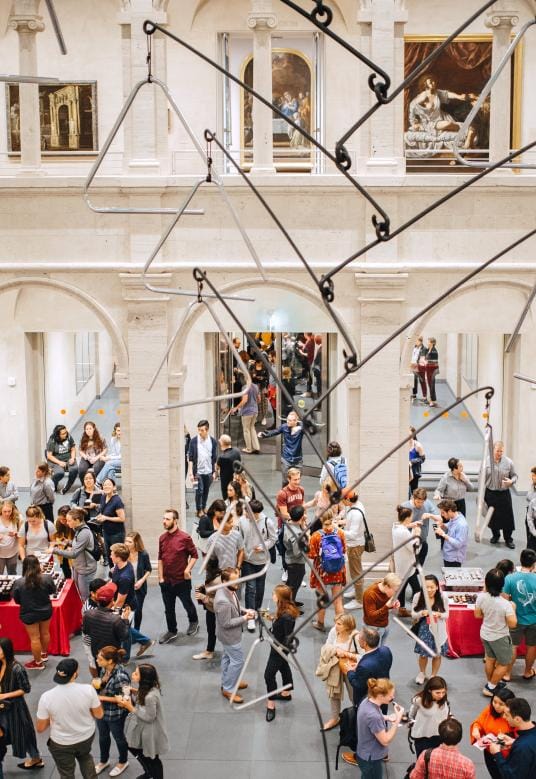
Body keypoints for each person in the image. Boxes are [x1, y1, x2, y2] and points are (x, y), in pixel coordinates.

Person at [36, 657, 103, 779]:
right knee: (85, 757)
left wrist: (53, 716)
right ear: (75, 674)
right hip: (86, 736)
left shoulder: (46, 697)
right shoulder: (88, 690)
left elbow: (40, 728)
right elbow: (99, 715)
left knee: (66, 772)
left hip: (61, 742)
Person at [117, 663, 168, 779]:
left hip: (150, 732)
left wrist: (130, 707)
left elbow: (149, 717)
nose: (133, 675)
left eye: (136, 673)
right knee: (142, 753)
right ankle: (149, 773)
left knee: (152, 759)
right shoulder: (149, 688)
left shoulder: (150, 697)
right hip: (144, 729)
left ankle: (154, 775)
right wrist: (135, 691)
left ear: (143, 678)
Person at [0, 637, 44, 769]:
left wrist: (4, 695)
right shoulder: (0, 664)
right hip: (2, 708)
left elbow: (26, 689)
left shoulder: (17, 668)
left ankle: (36, 758)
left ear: (6, 650)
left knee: (24, 733)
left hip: (15, 708)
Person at [213, 567, 255, 704]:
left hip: (229, 636)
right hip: (229, 636)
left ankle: (229, 681)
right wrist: (245, 619)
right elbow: (226, 623)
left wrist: (245, 610)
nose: (238, 583)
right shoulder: (222, 601)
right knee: (237, 661)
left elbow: (235, 606)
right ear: (224, 581)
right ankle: (229, 689)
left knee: (227, 658)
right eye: (235, 581)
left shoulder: (229, 589)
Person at [157, 508, 199, 643]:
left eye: (167, 519)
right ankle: (172, 630)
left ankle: (194, 622)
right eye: (163, 518)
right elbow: (160, 559)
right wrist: (160, 578)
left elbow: (194, 555)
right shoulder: (162, 538)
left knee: (187, 604)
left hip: (182, 581)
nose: (164, 521)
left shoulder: (185, 538)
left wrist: (187, 570)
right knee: (168, 609)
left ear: (175, 521)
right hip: (167, 581)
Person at [475, 568, 517, 697]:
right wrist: (513, 608)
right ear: (502, 585)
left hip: (485, 633)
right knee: (505, 663)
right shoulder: (505, 604)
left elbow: (477, 615)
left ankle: (491, 683)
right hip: (499, 637)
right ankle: (490, 687)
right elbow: (513, 624)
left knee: (490, 659)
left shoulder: (481, 597)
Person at [109, 543, 154, 658]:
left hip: (126, 607)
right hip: (126, 603)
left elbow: (120, 600)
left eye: (112, 554)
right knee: (126, 628)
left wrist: (110, 610)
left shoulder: (125, 577)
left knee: (125, 631)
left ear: (118, 558)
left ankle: (125, 657)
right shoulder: (123, 565)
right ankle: (145, 641)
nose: (110, 556)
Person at [12, 554, 55, 669]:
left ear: (24, 566)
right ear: (38, 565)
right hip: (45, 611)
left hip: (29, 613)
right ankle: (44, 654)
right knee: (45, 633)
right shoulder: (47, 578)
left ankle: (38, 663)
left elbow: (16, 600)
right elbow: (52, 591)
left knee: (34, 638)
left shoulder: (19, 582)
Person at [92, 645, 131, 776]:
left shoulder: (120, 676)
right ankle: (104, 760)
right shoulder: (104, 670)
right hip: (102, 710)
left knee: (118, 737)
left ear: (110, 661)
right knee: (103, 736)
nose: (97, 661)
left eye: (100, 659)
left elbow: (125, 698)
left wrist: (100, 697)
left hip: (115, 713)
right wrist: (100, 684)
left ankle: (123, 761)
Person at [239, 499, 276, 631]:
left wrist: (263, 546)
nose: (245, 514)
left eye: (248, 512)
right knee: (250, 588)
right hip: (248, 560)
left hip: (261, 561)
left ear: (256, 513)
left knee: (260, 588)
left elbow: (273, 539)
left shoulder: (267, 522)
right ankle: (250, 616)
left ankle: (257, 610)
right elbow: (240, 537)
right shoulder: (242, 520)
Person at [356, 678, 405, 778]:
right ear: (380, 696)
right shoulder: (374, 716)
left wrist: (387, 717)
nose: (393, 698)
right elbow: (385, 740)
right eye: (390, 696)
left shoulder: (367, 700)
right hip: (371, 758)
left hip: (364, 752)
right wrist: (397, 720)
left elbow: (369, 718)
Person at [264, 584, 298, 722]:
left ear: (280, 598)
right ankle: (286, 692)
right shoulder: (283, 610)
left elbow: (288, 637)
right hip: (278, 645)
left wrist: (279, 649)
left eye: (274, 594)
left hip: (278, 649)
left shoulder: (287, 616)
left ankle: (270, 705)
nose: (272, 596)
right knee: (284, 667)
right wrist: (272, 619)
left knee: (268, 675)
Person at [320, 613, 359, 731]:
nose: (335, 626)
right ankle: (334, 718)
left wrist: (346, 654)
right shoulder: (334, 631)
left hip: (350, 669)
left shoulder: (356, 636)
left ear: (347, 626)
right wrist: (335, 650)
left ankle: (359, 718)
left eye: (339, 624)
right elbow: (327, 646)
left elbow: (364, 656)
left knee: (354, 694)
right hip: (335, 666)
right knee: (334, 693)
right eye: (336, 623)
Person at [308, 513, 346, 632]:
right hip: (337, 571)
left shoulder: (316, 536)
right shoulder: (340, 533)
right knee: (338, 601)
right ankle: (341, 627)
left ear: (321, 519)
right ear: (333, 518)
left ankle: (320, 623)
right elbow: (344, 549)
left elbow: (312, 555)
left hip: (322, 572)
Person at [503, 548, 536, 680]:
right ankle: (527, 671)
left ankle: (507, 674)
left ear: (520, 560)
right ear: (534, 563)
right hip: (534, 619)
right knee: (532, 646)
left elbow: (504, 600)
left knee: (512, 646)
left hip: (514, 619)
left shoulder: (510, 578)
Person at [51, 507, 97, 602]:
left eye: (69, 521)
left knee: (85, 596)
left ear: (77, 520)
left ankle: (86, 614)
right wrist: (67, 542)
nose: (67, 523)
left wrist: (54, 550)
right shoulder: (78, 529)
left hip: (85, 569)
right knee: (78, 592)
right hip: (78, 567)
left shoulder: (84, 532)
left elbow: (73, 554)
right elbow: (77, 544)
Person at [470, 687, 516, 779]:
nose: (496, 706)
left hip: (506, 756)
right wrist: (476, 729)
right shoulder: (489, 710)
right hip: (489, 751)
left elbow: (518, 739)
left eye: (501, 704)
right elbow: (479, 722)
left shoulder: (514, 717)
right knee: (494, 774)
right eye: (494, 702)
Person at [411, 574, 449, 684]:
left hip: (439, 629)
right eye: (426, 587)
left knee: (437, 654)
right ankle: (422, 672)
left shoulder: (443, 597)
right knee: (423, 654)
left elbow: (447, 614)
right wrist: (422, 613)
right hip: (424, 628)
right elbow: (413, 614)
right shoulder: (418, 596)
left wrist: (439, 614)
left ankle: (433, 675)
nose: (429, 590)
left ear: (437, 586)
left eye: (432, 587)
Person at [410, 717, 476, 779]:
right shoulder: (467, 765)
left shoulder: (426, 755)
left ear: (440, 736)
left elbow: (414, 777)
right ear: (460, 738)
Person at [487, 697, 536, 778]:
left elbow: (511, 776)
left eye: (507, 715)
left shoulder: (522, 748)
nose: (504, 717)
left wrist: (497, 754)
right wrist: (515, 742)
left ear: (517, 719)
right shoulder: (526, 740)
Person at [82, 582, 130, 661]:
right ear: (112, 600)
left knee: (99, 670)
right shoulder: (116, 620)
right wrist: (125, 619)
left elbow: (86, 631)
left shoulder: (88, 614)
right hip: (111, 655)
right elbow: (125, 636)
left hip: (96, 653)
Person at [484, 441, 518, 549]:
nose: (499, 453)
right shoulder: (486, 462)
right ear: (493, 450)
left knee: (507, 517)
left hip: (504, 494)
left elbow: (515, 476)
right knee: (493, 517)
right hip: (490, 493)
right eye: (497, 451)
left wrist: (511, 481)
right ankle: (496, 535)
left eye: (501, 451)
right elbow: (481, 478)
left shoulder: (509, 462)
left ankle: (508, 539)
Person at [391, 504, 421, 618]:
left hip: (401, 563)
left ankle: (401, 609)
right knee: (417, 589)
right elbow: (414, 548)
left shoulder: (395, 527)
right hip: (408, 565)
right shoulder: (403, 532)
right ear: (407, 517)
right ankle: (419, 610)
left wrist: (411, 526)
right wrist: (417, 534)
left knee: (402, 587)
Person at [409, 676, 450, 757]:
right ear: (429, 690)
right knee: (422, 763)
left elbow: (445, 713)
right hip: (423, 738)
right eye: (437, 692)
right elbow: (411, 715)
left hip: (440, 737)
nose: (441, 695)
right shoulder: (419, 700)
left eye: (443, 692)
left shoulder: (443, 700)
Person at [340, 488, 366, 611]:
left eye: (343, 500)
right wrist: (341, 521)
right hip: (355, 544)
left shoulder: (355, 513)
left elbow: (353, 534)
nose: (342, 503)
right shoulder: (357, 506)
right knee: (355, 571)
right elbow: (350, 523)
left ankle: (359, 600)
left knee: (356, 573)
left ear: (348, 499)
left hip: (355, 545)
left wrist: (338, 529)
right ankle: (356, 592)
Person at [188, 419, 218, 518]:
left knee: (206, 490)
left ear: (207, 430)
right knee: (199, 491)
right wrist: (191, 473)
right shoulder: (193, 441)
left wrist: (214, 471)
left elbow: (214, 458)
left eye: (202, 430)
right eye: (199, 430)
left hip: (209, 471)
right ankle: (199, 509)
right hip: (197, 472)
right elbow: (191, 458)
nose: (200, 432)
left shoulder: (213, 441)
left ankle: (204, 507)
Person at [260, 411, 304, 477]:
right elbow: (275, 431)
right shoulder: (284, 427)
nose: (288, 422)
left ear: (295, 421)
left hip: (297, 459)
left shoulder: (300, 430)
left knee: (296, 480)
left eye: (290, 420)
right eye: (287, 420)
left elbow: (310, 429)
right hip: (286, 458)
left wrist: (300, 427)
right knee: (285, 480)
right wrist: (264, 435)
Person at [362, 573, 401, 645]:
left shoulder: (386, 591)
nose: (396, 594)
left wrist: (393, 605)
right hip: (373, 628)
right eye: (395, 591)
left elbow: (384, 605)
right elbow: (371, 616)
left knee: (381, 651)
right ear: (387, 586)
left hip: (384, 625)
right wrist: (386, 606)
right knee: (375, 654)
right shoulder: (370, 594)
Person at [125, 531, 152, 631]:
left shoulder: (143, 554)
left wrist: (141, 580)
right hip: (126, 588)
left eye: (129, 542)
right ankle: (128, 631)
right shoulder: (124, 553)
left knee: (138, 610)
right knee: (128, 610)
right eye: (126, 541)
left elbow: (149, 569)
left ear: (136, 543)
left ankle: (136, 631)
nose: (126, 544)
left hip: (139, 588)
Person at [404, 487, 437, 565]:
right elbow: (399, 526)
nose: (420, 504)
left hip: (423, 541)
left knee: (419, 568)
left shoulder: (427, 503)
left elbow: (439, 519)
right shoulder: (405, 506)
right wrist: (412, 525)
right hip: (409, 544)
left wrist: (430, 515)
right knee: (410, 569)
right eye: (418, 502)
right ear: (413, 498)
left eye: (422, 502)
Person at [430, 499, 469, 567]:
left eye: (443, 513)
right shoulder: (454, 517)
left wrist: (443, 534)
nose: (442, 515)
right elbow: (451, 525)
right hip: (448, 554)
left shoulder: (462, 525)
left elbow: (458, 544)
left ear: (450, 511)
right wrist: (443, 525)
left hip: (454, 559)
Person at [81, 578, 107, 679]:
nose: (103, 594)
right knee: (93, 663)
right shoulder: (89, 611)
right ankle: (96, 681)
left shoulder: (100, 601)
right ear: (92, 593)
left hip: (100, 639)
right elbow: (90, 631)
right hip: (91, 642)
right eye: (100, 592)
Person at [95, 478, 126, 559]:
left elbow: (122, 518)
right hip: (106, 532)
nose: (106, 486)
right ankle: (112, 571)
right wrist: (100, 516)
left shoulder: (117, 501)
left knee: (117, 556)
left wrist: (106, 518)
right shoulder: (103, 497)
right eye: (105, 485)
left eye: (109, 484)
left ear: (114, 487)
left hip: (116, 534)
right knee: (109, 556)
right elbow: (103, 511)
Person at [283, 505, 307, 604]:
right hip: (296, 562)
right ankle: (289, 606)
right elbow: (297, 553)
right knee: (293, 585)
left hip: (290, 560)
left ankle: (291, 601)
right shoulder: (297, 533)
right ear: (301, 517)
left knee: (291, 584)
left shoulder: (288, 524)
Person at [231, 379, 260, 455]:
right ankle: (256, 447)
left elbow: (244, 400)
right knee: (252, 428)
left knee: (246, 430)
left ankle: (249, 448)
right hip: (255, 410)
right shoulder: (256, 386)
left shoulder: (245, 387)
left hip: (247, 412)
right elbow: (259, 399)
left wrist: (236, 408)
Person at [46, 424, 78, 494]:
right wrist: (59, 462)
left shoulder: (68, 436)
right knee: (59, 473)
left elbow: (73, 449)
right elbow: (49, 456)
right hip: (55, 460)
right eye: (63, 434)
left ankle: (67, 486)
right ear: (58, 435)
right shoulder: (52, 440)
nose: (65, 434)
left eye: (66, 432)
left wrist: (73, 458)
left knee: (74, 469)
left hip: (68, 459)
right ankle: (54, 484)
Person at [215, 435, 241, 499]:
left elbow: (216, 468)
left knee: (227, 499)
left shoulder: (222, 457)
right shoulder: (237, 451)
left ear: (222, 443)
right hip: (237, 480)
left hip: (226, 483)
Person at [96, 422, 121, 487]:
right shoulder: (113, 439)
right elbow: (114, 454)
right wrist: (106, 457)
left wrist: (108, 458)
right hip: (116, 461)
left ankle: (97, 482)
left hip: (124, 461)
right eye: (118, 430)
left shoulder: (126, 440)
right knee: (110, 470)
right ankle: (113, 488)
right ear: (115, 430)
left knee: (109, 463)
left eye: (121, 430)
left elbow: (122, 456)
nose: (120, 432)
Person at [0, 499, 21, 574]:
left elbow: (22, 535)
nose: (7, 514)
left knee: (12, 573)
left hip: (12, 552)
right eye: (4, 511)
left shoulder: (17, 519)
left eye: (9, 511)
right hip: (0, 552)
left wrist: (16, 533)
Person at [54, 505, 74, 578]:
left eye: (64, 519)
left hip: (73, 551)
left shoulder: (74, 525)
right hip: (62, 551)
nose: (62, 522)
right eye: (60, 519)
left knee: (75, 569)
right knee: (65, 570)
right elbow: (55, 538)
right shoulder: (57, 522)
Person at [409, 428, 427, 495]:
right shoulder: (403, 444)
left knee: (414, 491)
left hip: (413, 472)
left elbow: (423, 458)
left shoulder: (417, 445)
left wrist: (412, 461)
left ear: (413, 435)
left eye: (409, 435)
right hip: (404, 471)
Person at [423, 337, 439, 407]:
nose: (428, 343)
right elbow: (426, 358)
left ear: (432, 343)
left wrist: (426, 361)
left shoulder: (434, 351)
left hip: (432, 370)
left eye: (429, 342)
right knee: (430, 385)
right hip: (428, 370)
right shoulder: (429, 350)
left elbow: (434, 362)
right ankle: (433, 400)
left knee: (431, 385)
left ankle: (432, 401)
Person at [410, 336, 425, 400]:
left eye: (416, 341)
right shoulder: (414, 347)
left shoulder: (424, 349)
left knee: (422, 381)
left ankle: (425, 396)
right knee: (414, 380)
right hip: (412, 366)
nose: (415, 342)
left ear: (420, 341)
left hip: (419, 366)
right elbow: (412, 356)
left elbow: (424, 359)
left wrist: (417, 364)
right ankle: (414, 394)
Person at [525, 467, 536, 551]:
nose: (532, 477)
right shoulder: (533, 486)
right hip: (531, 514)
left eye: (534, 475)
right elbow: (528, 497)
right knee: (530, 541)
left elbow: (530, 498)